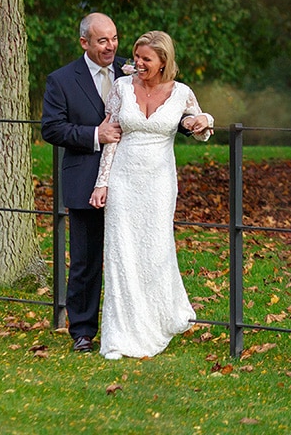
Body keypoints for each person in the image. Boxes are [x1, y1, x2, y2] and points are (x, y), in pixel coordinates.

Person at [90, 30, 214, 360]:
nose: (139, 63)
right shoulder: (121, 88)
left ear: (163, 62)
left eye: (147, 59)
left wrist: (205, 120)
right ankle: (120, 335)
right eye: (138, 57)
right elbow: (111, 137)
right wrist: (101, 184)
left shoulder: (181, 93)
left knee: (154, 250)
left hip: (159, 185)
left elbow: (200, 128)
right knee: (121, 254)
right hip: (123, 182)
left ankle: (159, 320)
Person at [40, 12, 124, 353]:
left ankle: (128, 328)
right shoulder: (61, 80)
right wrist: (95, 135)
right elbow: (51, 128)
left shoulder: (131, 71)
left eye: (114, 38)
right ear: (84, 42)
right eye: (102, 40)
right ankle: (84, 332)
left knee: (128, 257)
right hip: (85, 183)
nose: (110, 46)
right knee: (86, 261)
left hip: (129, 180)